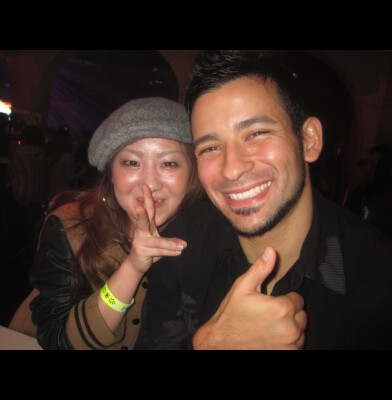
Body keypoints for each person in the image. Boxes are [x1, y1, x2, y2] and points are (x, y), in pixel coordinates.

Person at [135, 51, 392, 350]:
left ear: (308, 141)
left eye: (256, 133)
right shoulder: (180, 246)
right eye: (210, 148)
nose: (232, 169)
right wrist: (212, 344)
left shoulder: (378, 275)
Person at [28, 97, 204, 350]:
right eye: (132, 163)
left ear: (193, 174)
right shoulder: (71, 228)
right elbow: (58, 339)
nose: (150, 184)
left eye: (168, 163)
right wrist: (133, 267)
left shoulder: (208, 232)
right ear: (111, 173)